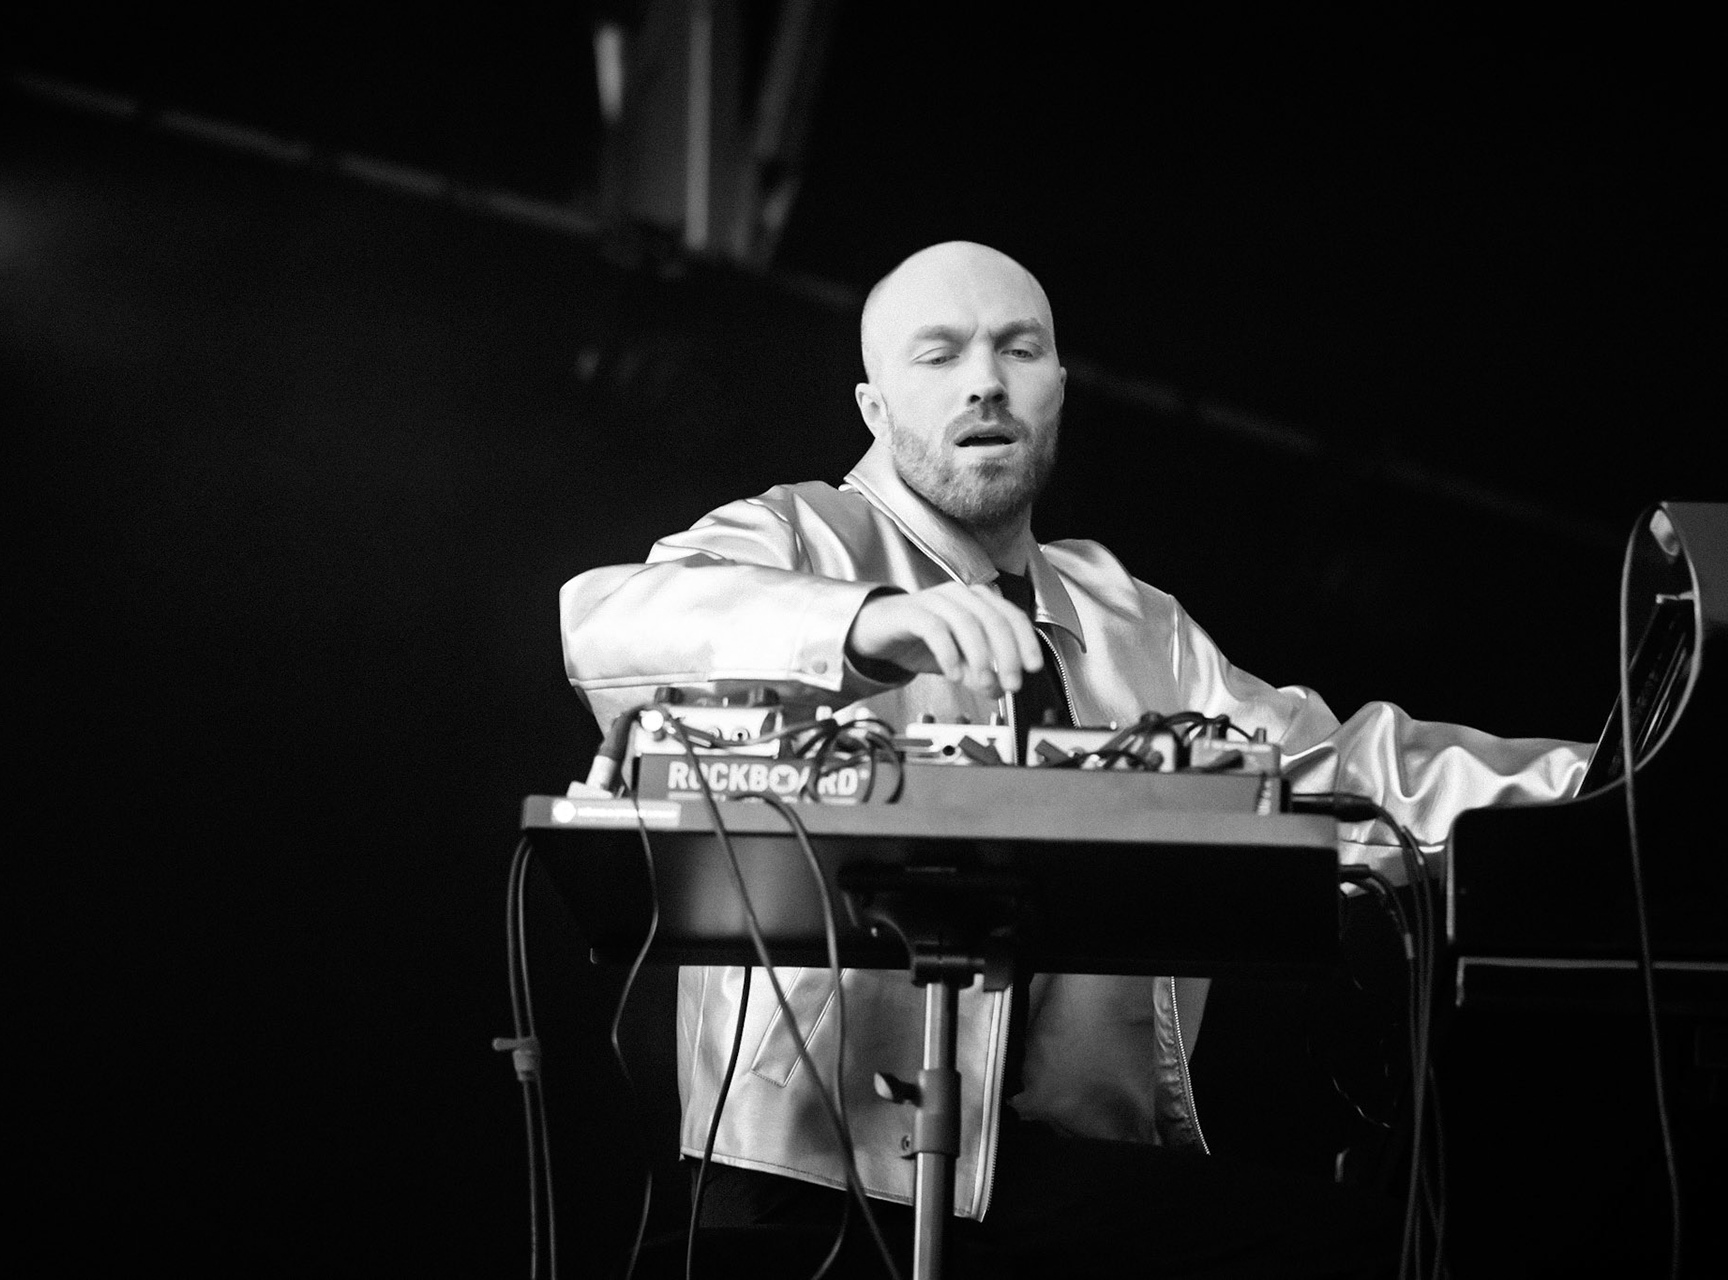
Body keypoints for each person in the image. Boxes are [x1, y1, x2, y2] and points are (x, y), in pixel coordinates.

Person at [560, 241, 1588, 1276]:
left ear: (1058, 388)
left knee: (1386, 1234)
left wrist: (1608, 779)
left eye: (1020, 347)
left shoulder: (1131, 618)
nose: (984, 380)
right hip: (822, 1171)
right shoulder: (796, 533)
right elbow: (606, 622)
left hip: (1060, 1168)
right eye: (939, 353)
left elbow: (1345, 767)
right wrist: (871, 625)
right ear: (874, 408)